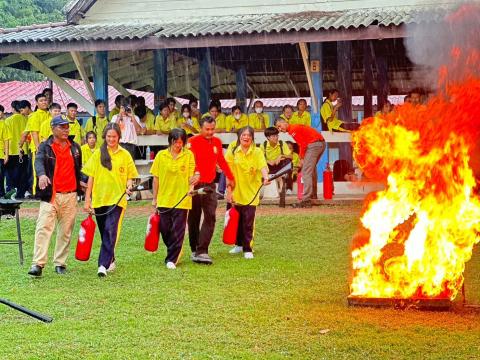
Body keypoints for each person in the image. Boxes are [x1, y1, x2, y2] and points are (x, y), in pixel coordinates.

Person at [27, 115, 83, 277]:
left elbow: (79, 170)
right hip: (51, 195)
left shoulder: (75, 148)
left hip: (70, 195)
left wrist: (84, 182)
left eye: (67, 126)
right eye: (62, 127)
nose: (66, 129)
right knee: (43, 228)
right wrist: (42, 175)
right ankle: (38, 264)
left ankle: (60, 263)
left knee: (66, 230)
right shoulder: (45, 146)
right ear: (53, 128)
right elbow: (38, 162)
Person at [83, 123, 139, 277]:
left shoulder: (125, 154)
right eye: (109, 136)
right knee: (104, 232)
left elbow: (130, 177)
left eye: (114, 136)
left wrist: (129, 186)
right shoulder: (98, 154)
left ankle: (102, 265)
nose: (111, 139)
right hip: (100, 198)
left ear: (119, 137)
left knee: (110, 229)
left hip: (117, 199)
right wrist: (87, 200)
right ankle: (111, 258)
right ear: (104, 137)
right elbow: (91, 179)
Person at [187, 116, 235, 264]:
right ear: (200, 128)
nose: (210, 132)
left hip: (210, 186)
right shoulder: (192, 142)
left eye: (212, 129)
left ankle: (202, 250)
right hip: (194, 186)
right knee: (193, 217)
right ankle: (194, 249)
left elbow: (221, 160)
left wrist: (230, 177)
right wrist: (195, 173)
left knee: (210, 217)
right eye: (207, 129)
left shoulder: (217, 142)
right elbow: (188, 161)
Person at [150, 128, 196, 269]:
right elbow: (156, 179)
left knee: (178, 230)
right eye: (176, 142)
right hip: (164, 199)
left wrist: (191, 188)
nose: (178, 145)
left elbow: (191, 177)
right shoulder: (160, 155)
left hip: (182, 200)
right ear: (170, 141)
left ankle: (172, 258)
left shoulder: (189, 155)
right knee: (164, 229)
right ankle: (172, 250)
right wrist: (155, 198)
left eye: (181, 142)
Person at [225, 126, 269, 259]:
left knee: (248, 222)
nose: (246, 137)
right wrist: (229, 191)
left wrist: (265, 177)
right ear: (239, 136)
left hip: (251, 192)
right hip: (235, 191)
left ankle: (247, 248)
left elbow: (262, 167)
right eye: (243, 135)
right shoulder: (233, 150)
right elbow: (228, 171)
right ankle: (238, 245)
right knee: (236, 220)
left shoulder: (257, 152)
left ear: (252, 138)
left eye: (249, 135)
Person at [275, 118, 326, 208]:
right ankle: (313, 196)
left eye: (279, 126)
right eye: (278, 128)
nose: (280, 129)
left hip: (314, 145)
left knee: (306, 172)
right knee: (311, 169)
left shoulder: (293, 130)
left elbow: (302, 144)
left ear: (285, 122)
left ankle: (306, 200)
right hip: (320, 143)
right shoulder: (294, 127)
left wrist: (301, 158)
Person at [4, 101, 28, 198]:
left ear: (13, 109)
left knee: (10, 175)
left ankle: (10, 192)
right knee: (22, 174)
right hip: (23, 151)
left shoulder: (8, 120)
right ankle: (21, 193)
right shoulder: (26, 119)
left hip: (10, 151)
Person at [259, 127, 292, 193]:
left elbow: (291, 156)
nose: (276, 138)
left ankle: (283, 189)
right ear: (268, 137)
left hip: (279, 166)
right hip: (269, 167)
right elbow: (260, 159)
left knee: (288, 162)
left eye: (277, 135)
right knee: (261, 165)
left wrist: (281, 156)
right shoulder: (263, 145)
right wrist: (269, 161)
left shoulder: (282, 143)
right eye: (273, 136)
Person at [0, 105, 10, 197]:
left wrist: (6, 155)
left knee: (0, 175)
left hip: (0, 154)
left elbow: (6, 140)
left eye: (0, 111)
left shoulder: (3, 124)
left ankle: (1, 194)